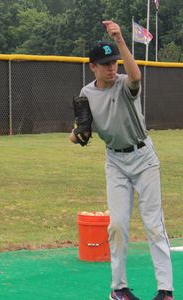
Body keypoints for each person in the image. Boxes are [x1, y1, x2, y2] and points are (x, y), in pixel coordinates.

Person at [70, 21, 174, 300]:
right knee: (117, 225)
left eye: (113, 62)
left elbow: (136, 75)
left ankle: (165, 291)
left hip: (144, 158)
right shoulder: (87, 94)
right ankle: (119, 290)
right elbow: (80, 132)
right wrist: (78, 133)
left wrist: (119, 40)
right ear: (92, 67)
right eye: (104, 64)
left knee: (154, 223)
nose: (111, 67)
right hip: (115, 162)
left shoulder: (125, 85)